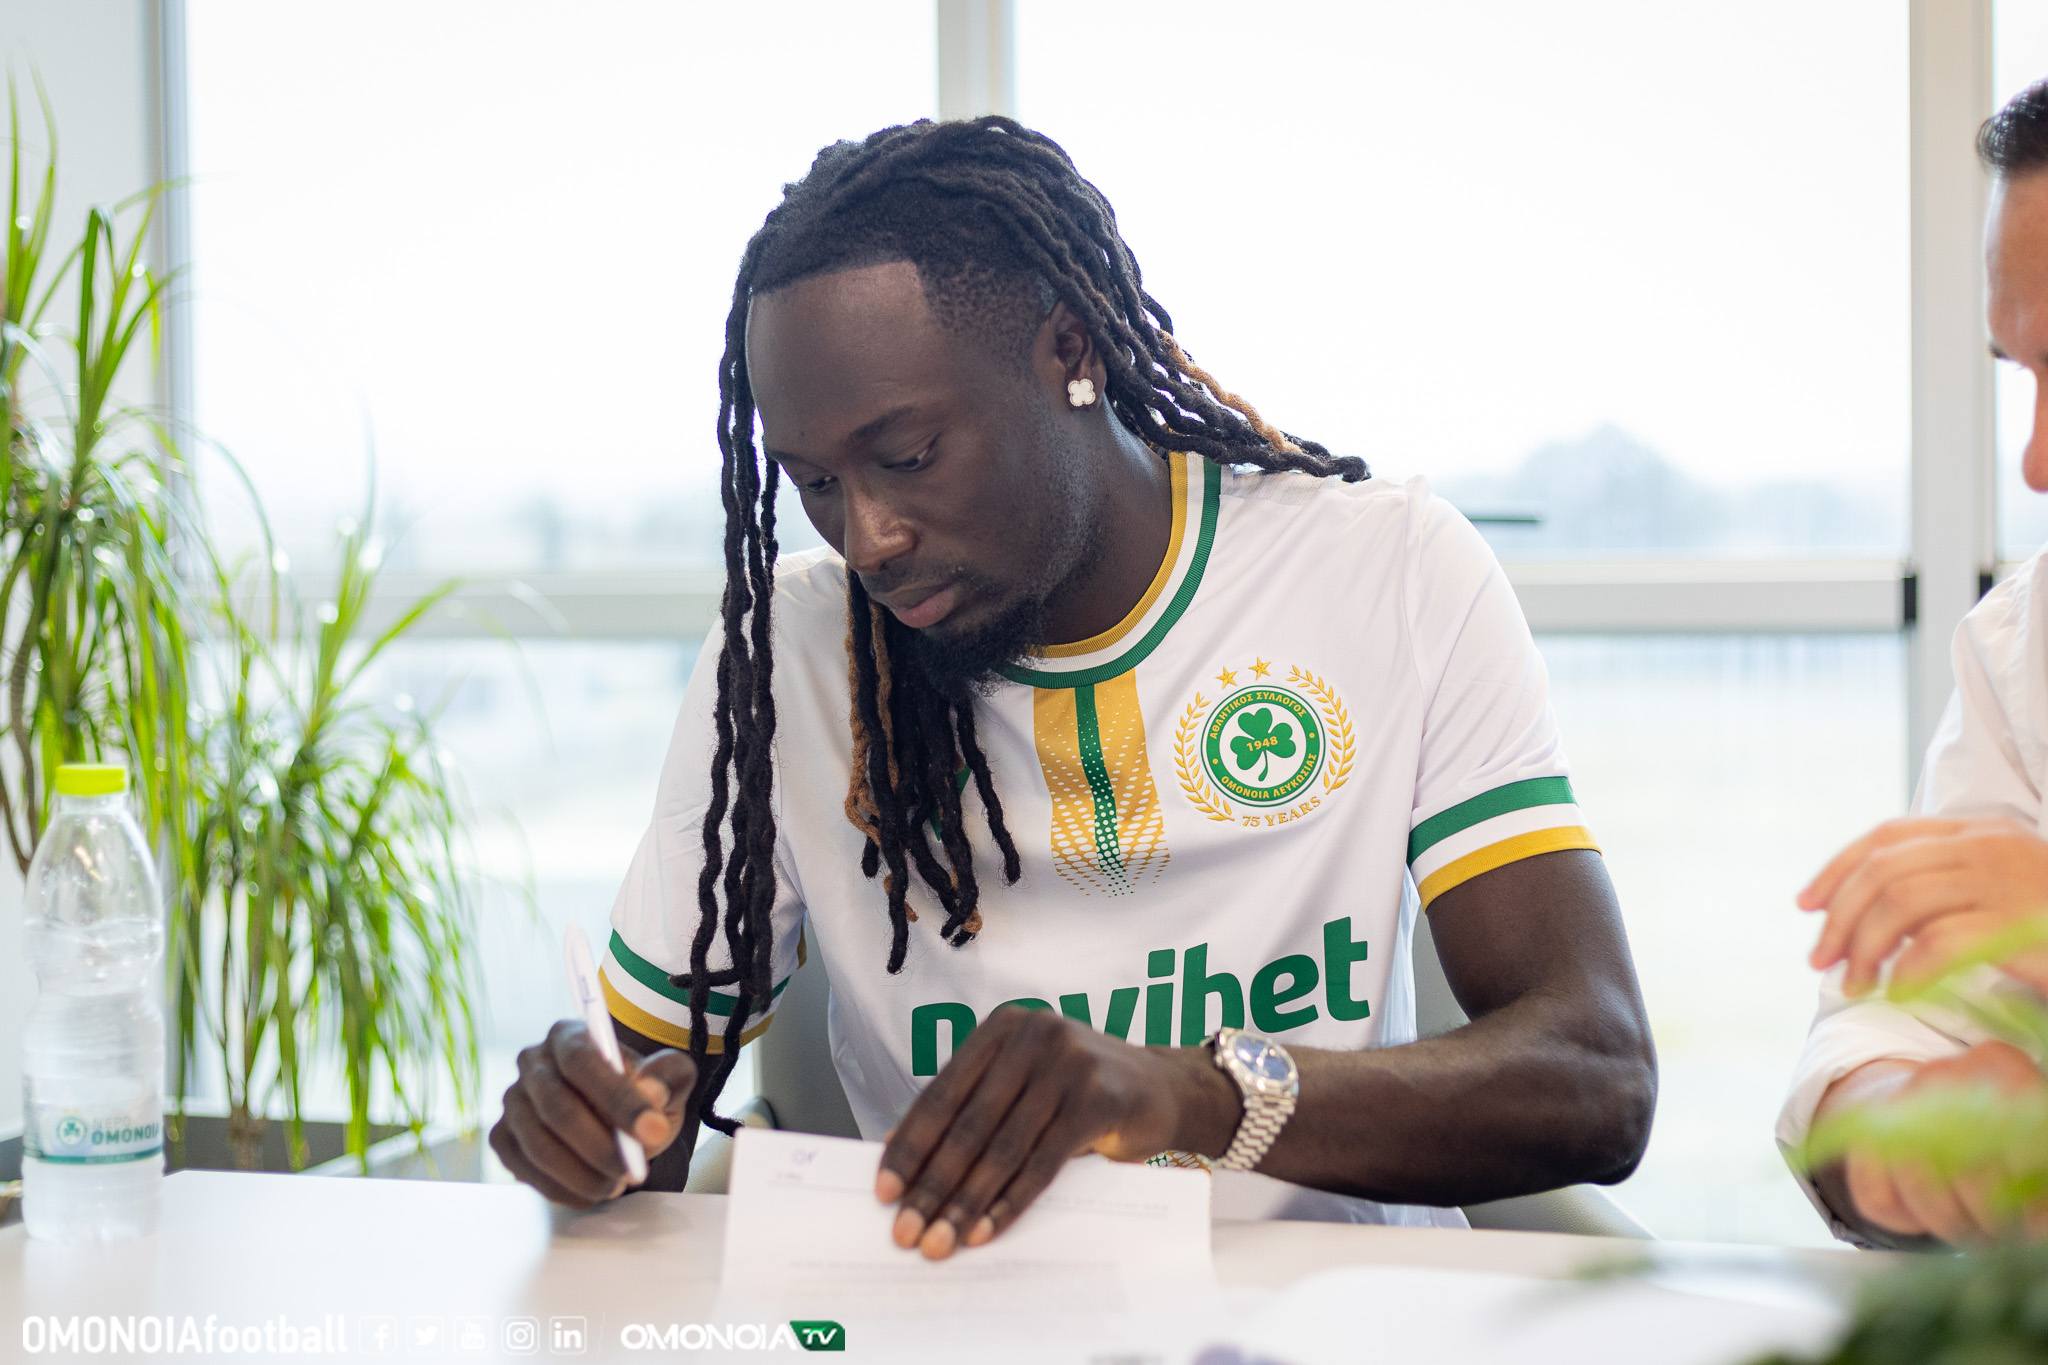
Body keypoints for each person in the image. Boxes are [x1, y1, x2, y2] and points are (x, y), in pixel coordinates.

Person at [489, 116, 1656, 1257]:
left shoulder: (1385, 571)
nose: (868, 536)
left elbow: (1594, 1078)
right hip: (959, 1323)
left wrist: (1185, 1095)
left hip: (1330, 1318)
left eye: (906, 458)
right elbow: (644, 1114)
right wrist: (586, 1126)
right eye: (815, 484)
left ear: (1070, 351)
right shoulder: (791, 649)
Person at [1779, 79, 2048, 1248]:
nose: (2034, 463)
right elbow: (1876, 1033)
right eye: (2020, 374)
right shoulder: (2024, 642)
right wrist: (1896, 1125)